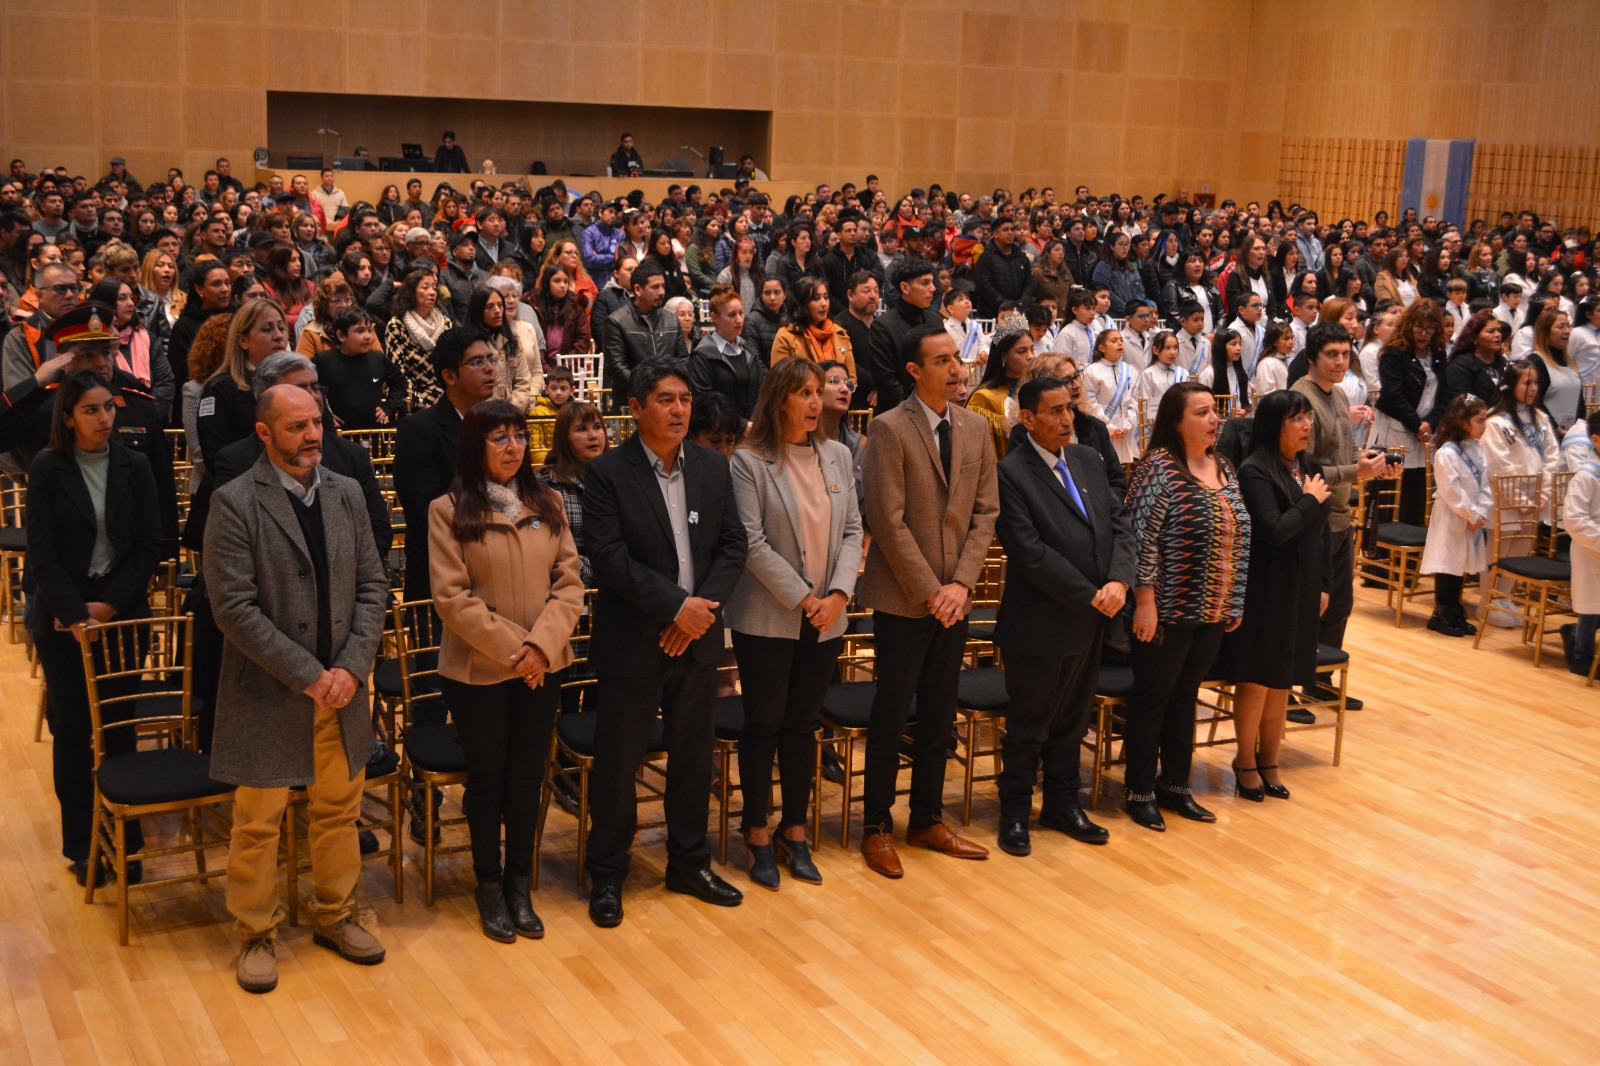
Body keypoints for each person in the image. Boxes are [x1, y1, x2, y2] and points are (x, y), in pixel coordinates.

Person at [204, 382, 389, 994]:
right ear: (264, 433)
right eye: (296, 426)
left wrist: (352, 667)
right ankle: (255, 930)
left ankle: (335, 914)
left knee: (339, 811)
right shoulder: (233, 502)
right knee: (258, 821)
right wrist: (310, 676)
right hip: (272, 689)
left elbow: (372, 586)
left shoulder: (347, 494)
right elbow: (233, 609)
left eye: (316, 422)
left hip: (343, 686)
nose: (312, 436)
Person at [581, 361, 748, 927]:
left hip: (697, 640)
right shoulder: (606, 472)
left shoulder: (710, 467)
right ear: (635, 408)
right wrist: (677, 607)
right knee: (618, 764)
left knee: (693, 758)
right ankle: (607, 873)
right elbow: (608, 559)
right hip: (635, 639)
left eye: (684, 400)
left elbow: (732, 547)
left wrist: (699, 613)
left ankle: (688, 862)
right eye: (666, 399)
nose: (680, 410)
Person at [429, 400, 583, 942]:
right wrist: (521, 652)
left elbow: (569, 585)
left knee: (526, 777)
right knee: (488, 779)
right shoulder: (448, 510)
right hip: (478, 671)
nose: (513, 446)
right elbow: (452, 598)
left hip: (544, 667)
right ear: (476, 445)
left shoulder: (550, 502)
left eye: (519, 436)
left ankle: (520, 883)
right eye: (499, 438)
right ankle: (487, 884)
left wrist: (542, 648)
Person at [857, 324, 998, 877]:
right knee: (892, 714)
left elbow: (985, 512)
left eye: (957, 358)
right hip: (904, 597)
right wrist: (932, 589)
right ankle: (875, 826)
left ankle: (927, 819)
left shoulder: (975, 428)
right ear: (915, 371)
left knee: (941, 714)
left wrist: (961, 584)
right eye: (942, 360)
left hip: (955, 599)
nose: (956, 368)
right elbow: (886, 522)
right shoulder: (889, 428)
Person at [725, 359, 863, 889]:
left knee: (804, 724)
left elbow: (853, 529)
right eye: (804, 393)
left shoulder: (838, 454)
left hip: (828, 614)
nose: (815, 402)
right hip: (770, 615)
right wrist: (807, 598)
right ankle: (756, 830)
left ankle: (795, 829)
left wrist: (839, 594)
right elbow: (751, 543)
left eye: (818, 392)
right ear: (780, 399)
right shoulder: (749, 461)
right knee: (764, 722)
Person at [27, 357, 162, 888]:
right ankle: (83, 842)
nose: (104, 418)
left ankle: (125, 839)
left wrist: (109, 605)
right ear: (68, 417)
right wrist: (78, 613)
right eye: (91, 410)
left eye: (108, 407)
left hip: (122, 610)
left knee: (121, 726)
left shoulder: (134, 465)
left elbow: (149, 546)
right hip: (63, 617)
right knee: (77, 729)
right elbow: (43, 556)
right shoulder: (47, 469)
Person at [992, 375, 1134, 856]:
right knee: (1030, 723)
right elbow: (1029, 554)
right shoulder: (1011, 472)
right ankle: (1013, 812)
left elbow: (1119, 524)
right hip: (1040, 620)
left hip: (1092, 616)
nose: (1066, 418)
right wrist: (1092, 594)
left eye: (1069, 408)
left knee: (1074, 720)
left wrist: (1119, 580)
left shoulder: (1088, 459)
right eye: (1053, 411)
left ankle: (1061, 803)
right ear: (1027, 419)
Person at [1122, 382, 1250, 830]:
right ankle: (1138, 789)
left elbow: (1239, 534)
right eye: (1201, 412)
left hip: (1211, 607)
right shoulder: (1158, 468)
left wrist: (1233, 598)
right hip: (1165, 607)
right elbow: (1140, 541)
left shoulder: (1224, 466)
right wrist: (1144, 603)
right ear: (1176, 422)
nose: (1213, 419)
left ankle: (1176, 785)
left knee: (1186, 696)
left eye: (1214, 411)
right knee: (1154, 697)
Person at [1214, 390, 1330, 803]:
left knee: (1281, 678)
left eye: (1308, 419)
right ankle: (1244, 761)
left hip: (1302, 581)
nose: (1305, 426)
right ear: (1273, 425)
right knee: (1258, 677)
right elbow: (1275, 531)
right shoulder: (1253, 471)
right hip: (1265, 585)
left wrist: (1324, 583)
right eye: (1296, 419)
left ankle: (1270, 761)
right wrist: (1308, 499)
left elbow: (1321, 529)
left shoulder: (1309, 466)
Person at [1292, 324, 1397, 710]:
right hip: (1311, 517)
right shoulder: (1299, 400)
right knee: (1306, 607)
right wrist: (1357, 472)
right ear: (1313, 358)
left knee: (1338, 606)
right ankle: (1285, 689)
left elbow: (1347, 452)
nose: (1340, 361)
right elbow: (1306, 471)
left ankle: (1319, 681)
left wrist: (1371, 465)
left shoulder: (1337, 394)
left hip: (1340, 515)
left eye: (1344, 353)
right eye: (1332, 354)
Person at [394, 328, 497, 600]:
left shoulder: (500, 426)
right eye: (477, 362)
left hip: (498, 573)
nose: (489, 369)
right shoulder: (418, 430)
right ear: (449, 376)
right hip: (443, 578)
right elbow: (426, 510)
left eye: (491, 359)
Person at [1420, 395, 1492, 638]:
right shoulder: (1447, 453)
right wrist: (1471, 513)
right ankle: (1442, 612)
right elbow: (1451, 491)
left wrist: (1481, 512)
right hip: (1453, 516)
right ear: (1462, 422)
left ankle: (1454, 608)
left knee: (1460, 565)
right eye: (1480, 420)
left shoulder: (1477, 449)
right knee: (1448, 563)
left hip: (1471, 518)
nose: (1485, 425)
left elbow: (1485, 484)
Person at [1373, 300, 1450, 524]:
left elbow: (1444, 395)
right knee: (1391, 492)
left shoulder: (1438, 354)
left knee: (1417, 494)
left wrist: (1431, 423)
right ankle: (1381, 551)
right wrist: (1417, 424)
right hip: (1396, 429)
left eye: (1429, 328)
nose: (1423, 333)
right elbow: (1393, 395)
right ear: (1408, 325)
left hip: (1425, 433)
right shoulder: (1395, 352)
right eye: (1418, 327)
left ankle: (1411, 547)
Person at [196, 298, 289, 465]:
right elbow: (216, 454)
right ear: (243, 341)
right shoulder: (219, 389)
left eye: (282, 328)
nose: (279, 335)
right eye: (267, 329)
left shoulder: (301, 381)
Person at [537, 398, 608, 586]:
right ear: (565, 439)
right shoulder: (546, 483)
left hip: (616, 590)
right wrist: (596, 575)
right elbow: (548, 549)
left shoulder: (621, 477)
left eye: (598, 427)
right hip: (566, 590)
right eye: (582, 429)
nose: (593, 435)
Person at [599, 260, 687, 409]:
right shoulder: (616, 321)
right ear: (638, 290)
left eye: (663, 286)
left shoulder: (672, 320)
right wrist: (649, 389)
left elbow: (683, 360)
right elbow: (617, 368)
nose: (662, 292)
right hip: (632, 402)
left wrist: (668, 387)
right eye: (655, 287)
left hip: (668, 401)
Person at [865, 258, 940, 413]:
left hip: (935, 406)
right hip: (898, 413)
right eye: (925, 283)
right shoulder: (883, 326)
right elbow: (887, 381)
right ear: (905, 287)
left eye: (932, 282)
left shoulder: (935, 320)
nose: (933, 288)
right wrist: (916, 412)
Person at [313, 308, 407, 428]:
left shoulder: (377, 358)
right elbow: (307, 389)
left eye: (369, 330)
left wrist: (388, 407)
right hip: (339, 433)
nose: (368, 336)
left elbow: (400, 382)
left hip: (374, 432)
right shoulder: (324, 361)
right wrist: (324, 414)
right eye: (360, 331)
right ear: (341, 335)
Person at [688, 283, 767, 420]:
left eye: (741, 313)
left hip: (753, 430)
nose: (739, 320)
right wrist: (741, 426)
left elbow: (761, 392)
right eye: (732, 315)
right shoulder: (702, 355)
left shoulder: (749, 349)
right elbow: (704, 404)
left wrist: (754, 425)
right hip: (719, 434)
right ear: (715, 318)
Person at [1560, 411, 1600, 675]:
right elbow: (1574, 519)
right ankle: (1581, 654)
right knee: (1592, 604)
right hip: (1590, 549)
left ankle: (1574, 633)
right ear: (1597, 440)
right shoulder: (1586, 476)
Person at [384, 269, 452, 411]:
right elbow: (397, 372)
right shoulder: (397, 325)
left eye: (434, 287)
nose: (432, 292)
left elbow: (452, 365)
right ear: (411, 292)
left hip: (446, 398)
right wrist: (421, 403)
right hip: (411, 402)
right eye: (425, 287)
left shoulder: (446, 324)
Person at [968, 313, 1033, 459]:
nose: (1030, 356)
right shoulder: (984, 398)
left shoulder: (1035, 390)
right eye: (1022, 351)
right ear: (1003, 356)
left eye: (1032, 349)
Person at [770, 275, 857, 381]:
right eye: (816, 298)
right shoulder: (786, 336)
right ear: (802, 304)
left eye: (825, 297)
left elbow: (851, 378)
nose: (824, 303)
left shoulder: (839, 333)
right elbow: (780, 380)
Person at [469, 284, 537, 414]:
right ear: (478, 311)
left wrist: (511, 411)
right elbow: (469, 387)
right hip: (481, 415)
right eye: (490, 307)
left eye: (500, 305)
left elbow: (523, 382)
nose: (497, 310)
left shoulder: (513, 340)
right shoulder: (469, 343)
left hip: (511, 413)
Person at [1082, 326, 1138, 464]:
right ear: (1102, 348)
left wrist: (1128, 425)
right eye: (1114, 341)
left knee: (1128, 468)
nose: (1120, 343)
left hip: (1126, 430)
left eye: (1121, 340)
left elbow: (1134, 400)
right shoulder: (1091, 371)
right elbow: (1090, 403)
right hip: (1102, 428)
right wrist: (1110, 428)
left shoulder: (1130, 370)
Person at [532, 262, 593, 360]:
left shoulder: (576, 305)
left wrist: (565, 366)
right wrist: (545, 367)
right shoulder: (534, 304)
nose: (562, 285)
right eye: (557, 281)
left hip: (568, 367)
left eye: (566, 281)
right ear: (547, 283)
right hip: (540, 366)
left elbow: (583, 340)